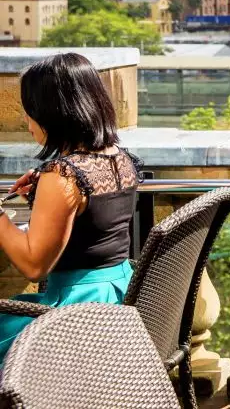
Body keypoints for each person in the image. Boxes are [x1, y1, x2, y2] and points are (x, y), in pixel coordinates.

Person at [0, 52, 143, 361]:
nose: (26, 122)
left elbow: (34, 266)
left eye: (29, 111)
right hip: (119, 299)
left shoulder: (63, 175)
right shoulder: (120, 158)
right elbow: (90, 224)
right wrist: (44, 192)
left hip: (75, 315)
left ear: (52, 113)